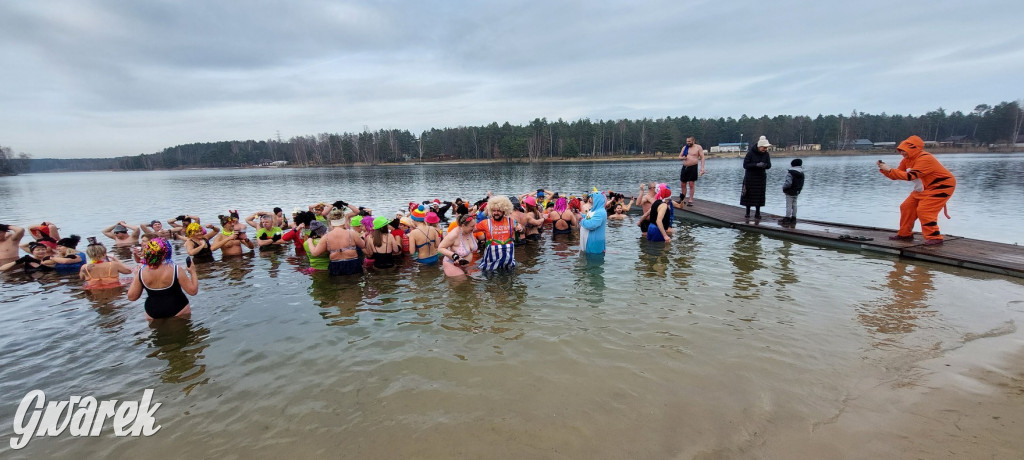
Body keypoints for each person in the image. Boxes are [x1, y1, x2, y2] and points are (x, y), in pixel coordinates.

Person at [878, 135, 957, 245]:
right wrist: (885, 170)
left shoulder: (925, 158)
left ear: (914, 149)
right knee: (906, 207)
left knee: (925, 210)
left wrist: (890, 169)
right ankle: (905, 234)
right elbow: (897, 175)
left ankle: (935, 237)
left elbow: (910, 176)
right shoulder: (907, 160)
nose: (902, 153)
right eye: (900, 150)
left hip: (941, 186)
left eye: (904, 150)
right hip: (923, 188)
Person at [127, 238, 198, 320]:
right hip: (178, 308)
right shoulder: (175, 269)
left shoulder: (141, 272)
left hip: (152, 311)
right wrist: (193, 272)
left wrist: (136, 275)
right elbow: (193, 291)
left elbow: (132, 297)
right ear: (165, 253)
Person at [475, 196, 522, 271]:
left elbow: (519, 227)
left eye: (498, 211)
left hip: (508, 262)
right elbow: (470, 229)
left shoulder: (512, 221)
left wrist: (520, 228)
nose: (496, 213)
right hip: (490, 263)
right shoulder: (485, 223)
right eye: (494, 210)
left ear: (504, 211)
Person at [741, 136, 773, 219]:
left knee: (760, 196)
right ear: (759, 146)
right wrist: (756, 165)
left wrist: (764, 165)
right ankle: (747, 212)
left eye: (766, 148)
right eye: (764, 147)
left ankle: (757, 213)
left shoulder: (766, 154)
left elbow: (769, 165)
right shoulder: (750, 153)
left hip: (761, 178)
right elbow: (745, 165)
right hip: (750, 177)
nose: (765, 149)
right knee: (748, 195)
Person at [678, 136, 706, 206]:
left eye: (689, 141)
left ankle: (690, 200)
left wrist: (702, 168)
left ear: (693, 141)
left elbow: (702, 157)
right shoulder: (685, 148)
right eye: (687, 141)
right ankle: (683, 199)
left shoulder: (698, 147)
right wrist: (683, 158)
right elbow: (679, 157)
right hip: (685, 167)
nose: (688, 143)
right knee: (683, 184)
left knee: (691, 184)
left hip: (693, 167)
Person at [779, 159, 805, 226]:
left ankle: (787, 218)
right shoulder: (802, 173)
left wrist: (784, 188)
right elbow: (802, 183)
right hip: (797, 191)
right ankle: (794, 218)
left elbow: (788, 183)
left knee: (789, 205)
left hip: (790, 191)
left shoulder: (790, 173)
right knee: (794, 205)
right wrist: (799, 190)